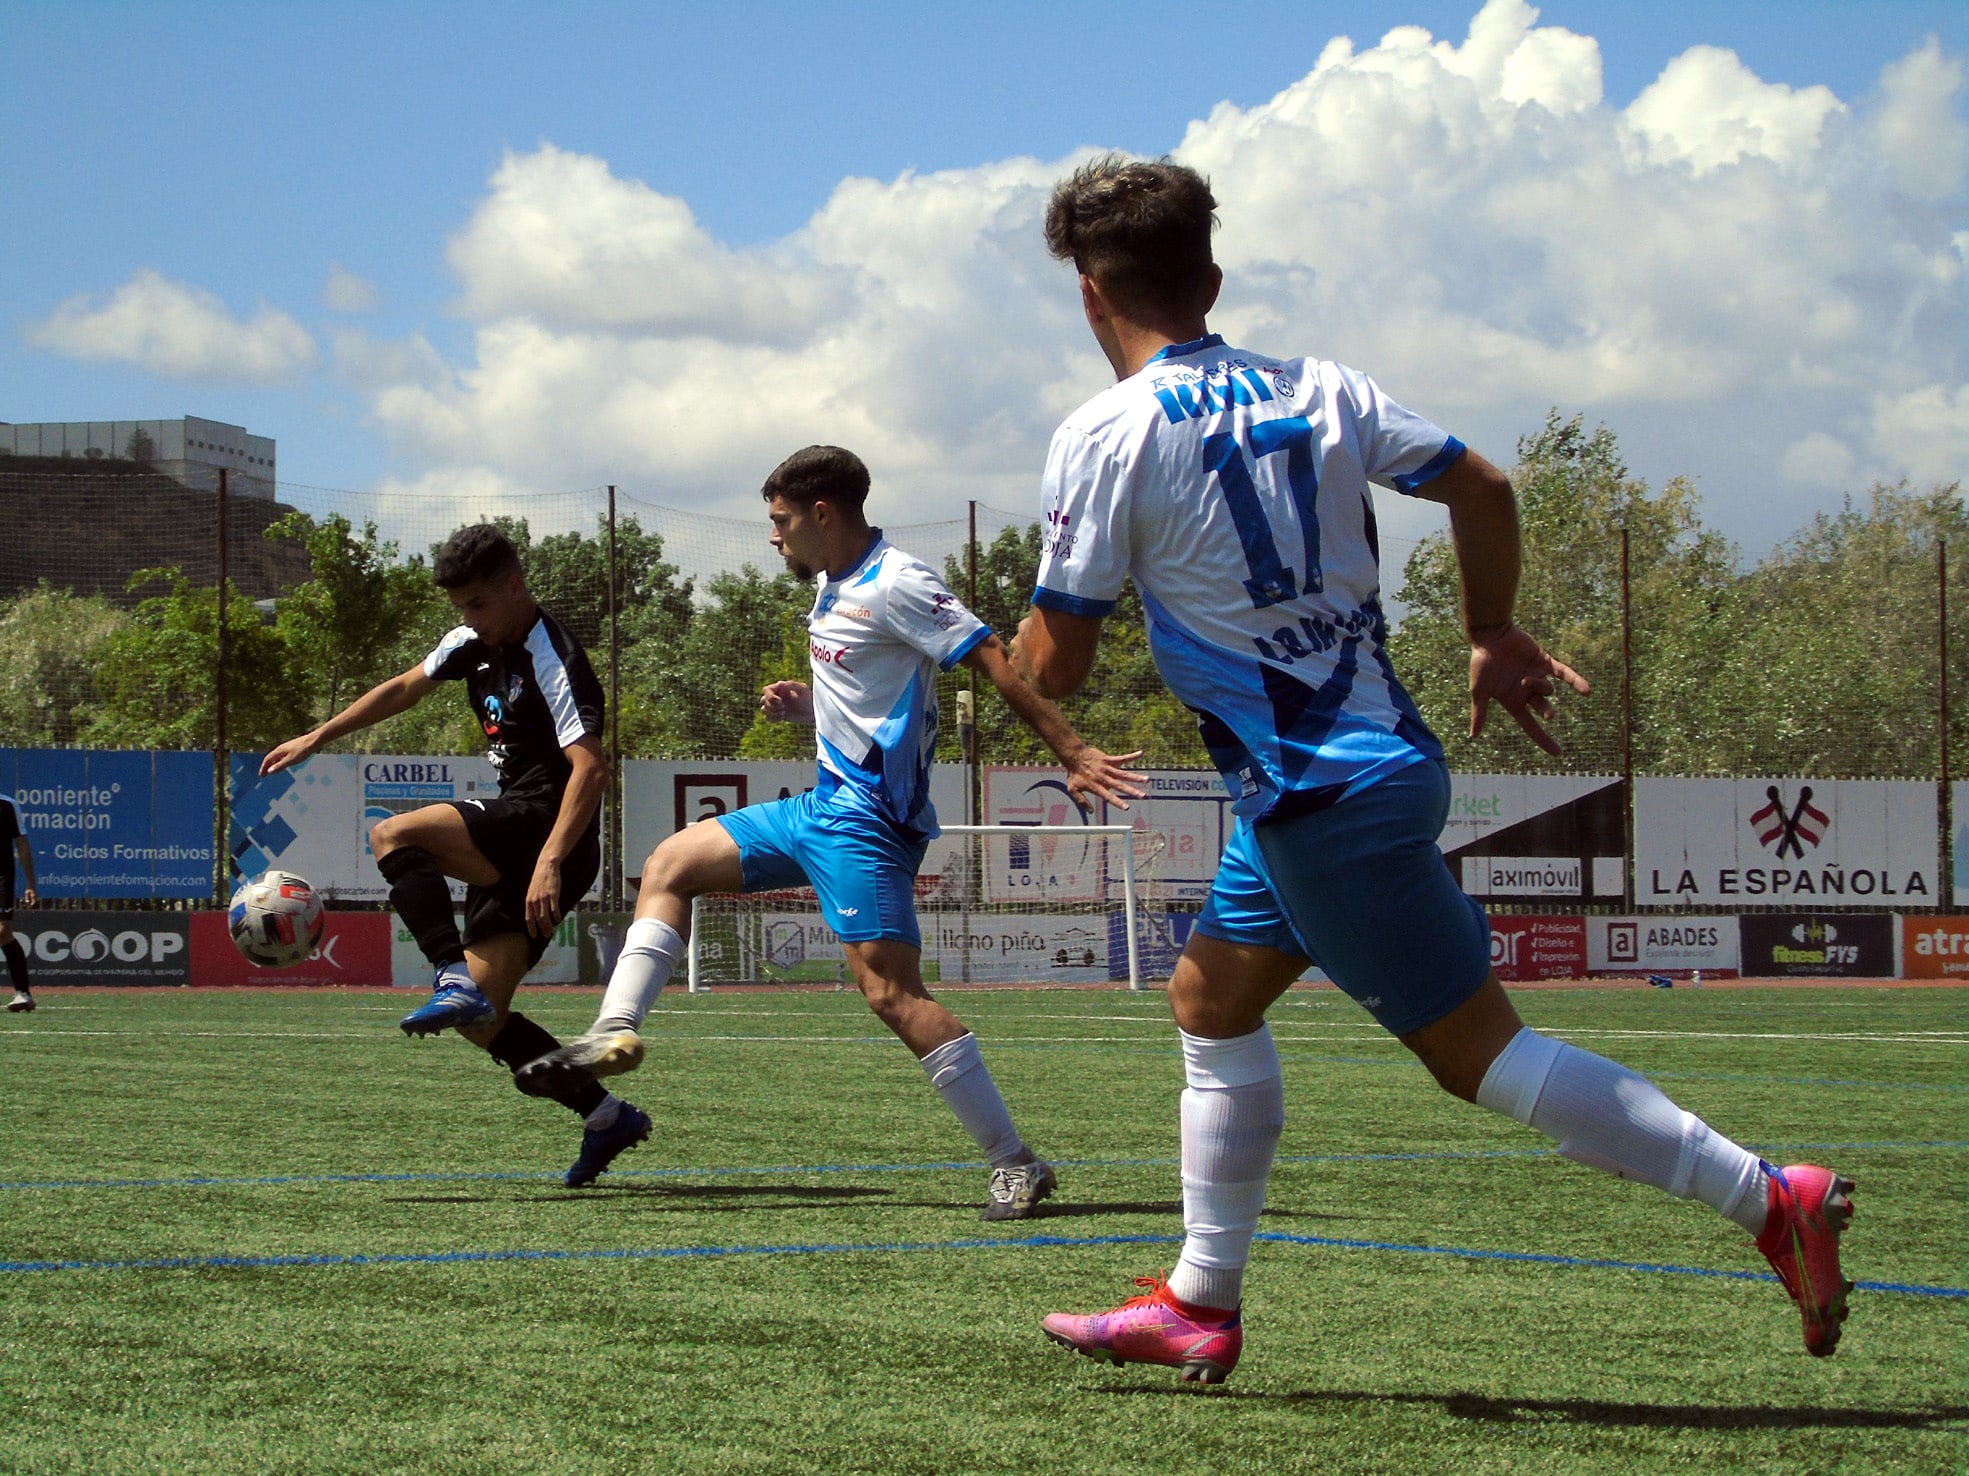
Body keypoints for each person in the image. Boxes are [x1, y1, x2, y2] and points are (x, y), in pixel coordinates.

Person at [1019, 156, 1853, 1382]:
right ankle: (1199, 1295)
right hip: (1357, 766)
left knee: (1482, 1061)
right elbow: (1484, 485)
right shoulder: (1323, 387)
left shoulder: (1100, 436)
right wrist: (1489, 628)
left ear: (1090, 298)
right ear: (1211, 272)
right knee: (1209, 1000)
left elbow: (1062, 662)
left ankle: (1768, 1197)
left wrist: (1005, 650)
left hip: (1322, 796)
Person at [516, 445, 1146, 1219]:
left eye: (780, 521)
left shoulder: (899, 583)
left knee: (891, 995)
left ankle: (1015, 1161)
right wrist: (809, 710)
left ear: (823, 514)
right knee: (669, 863)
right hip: (820, 806)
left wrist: (1072, 751)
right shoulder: (831, 583)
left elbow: (992, 660)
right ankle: (613, 1032)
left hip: (867, 823)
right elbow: (876, 697)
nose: (772, 537)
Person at [260, 523, 651, 1188]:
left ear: (514, 586)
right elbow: (404, 686)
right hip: (525, 833)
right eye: (459, 608)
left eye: (477, 604)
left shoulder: (551, 655)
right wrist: (319, 735)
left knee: (393, 834)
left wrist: (552, 860)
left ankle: (449, 974)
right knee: (484, 1023)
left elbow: (590, 771)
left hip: (547, 827)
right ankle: (605, 1117)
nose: (468, 618)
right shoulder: (472, 641)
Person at [1, 791, 38, 1013]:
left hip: (2, 877)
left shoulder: (7, 805)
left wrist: (31, 884)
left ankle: (23, 993)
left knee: (3, 931)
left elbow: (22, 844)